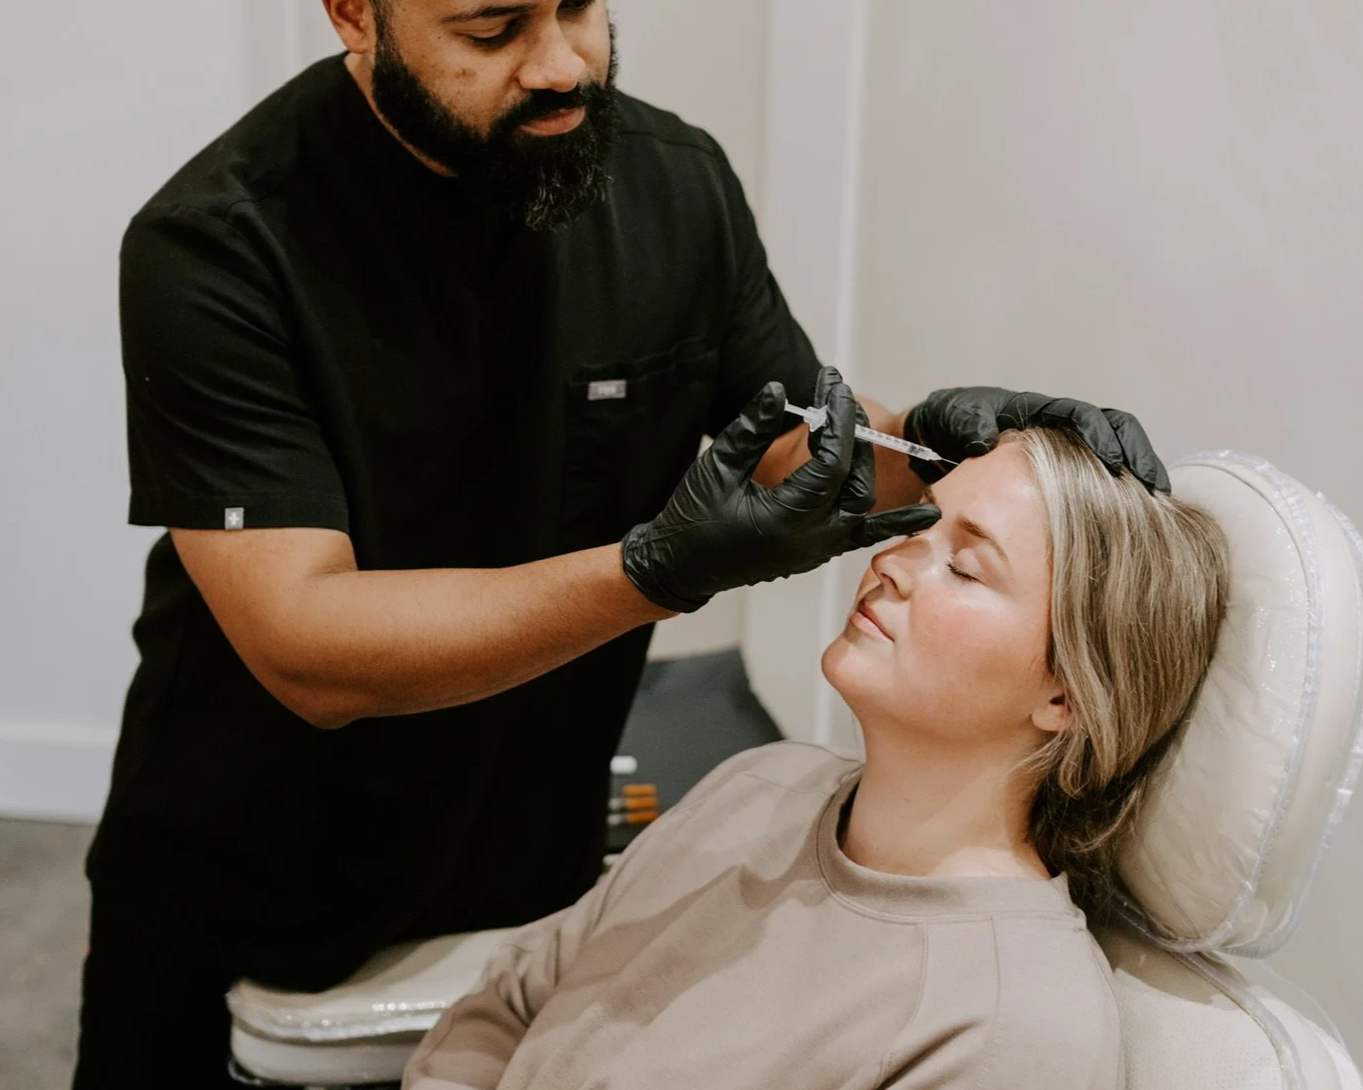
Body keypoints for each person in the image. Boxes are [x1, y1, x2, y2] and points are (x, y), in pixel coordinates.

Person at [78, 1, 1170, 1086]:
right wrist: (652, 571)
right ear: (357, 15)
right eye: (491, 29)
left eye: (578, 7)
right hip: (250, 858)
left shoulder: (671, 186)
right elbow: (304, 645)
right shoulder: (221, 244)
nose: (560, 64)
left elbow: (789, 444)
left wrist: (935, 448)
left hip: (525, 836)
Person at [403, 427, 1230, 1090]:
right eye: (918, 524)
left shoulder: (1008, 1028)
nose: (892, 561)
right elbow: (509, 1001)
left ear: (1067, 696)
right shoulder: (759, 785)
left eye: (964, 565)